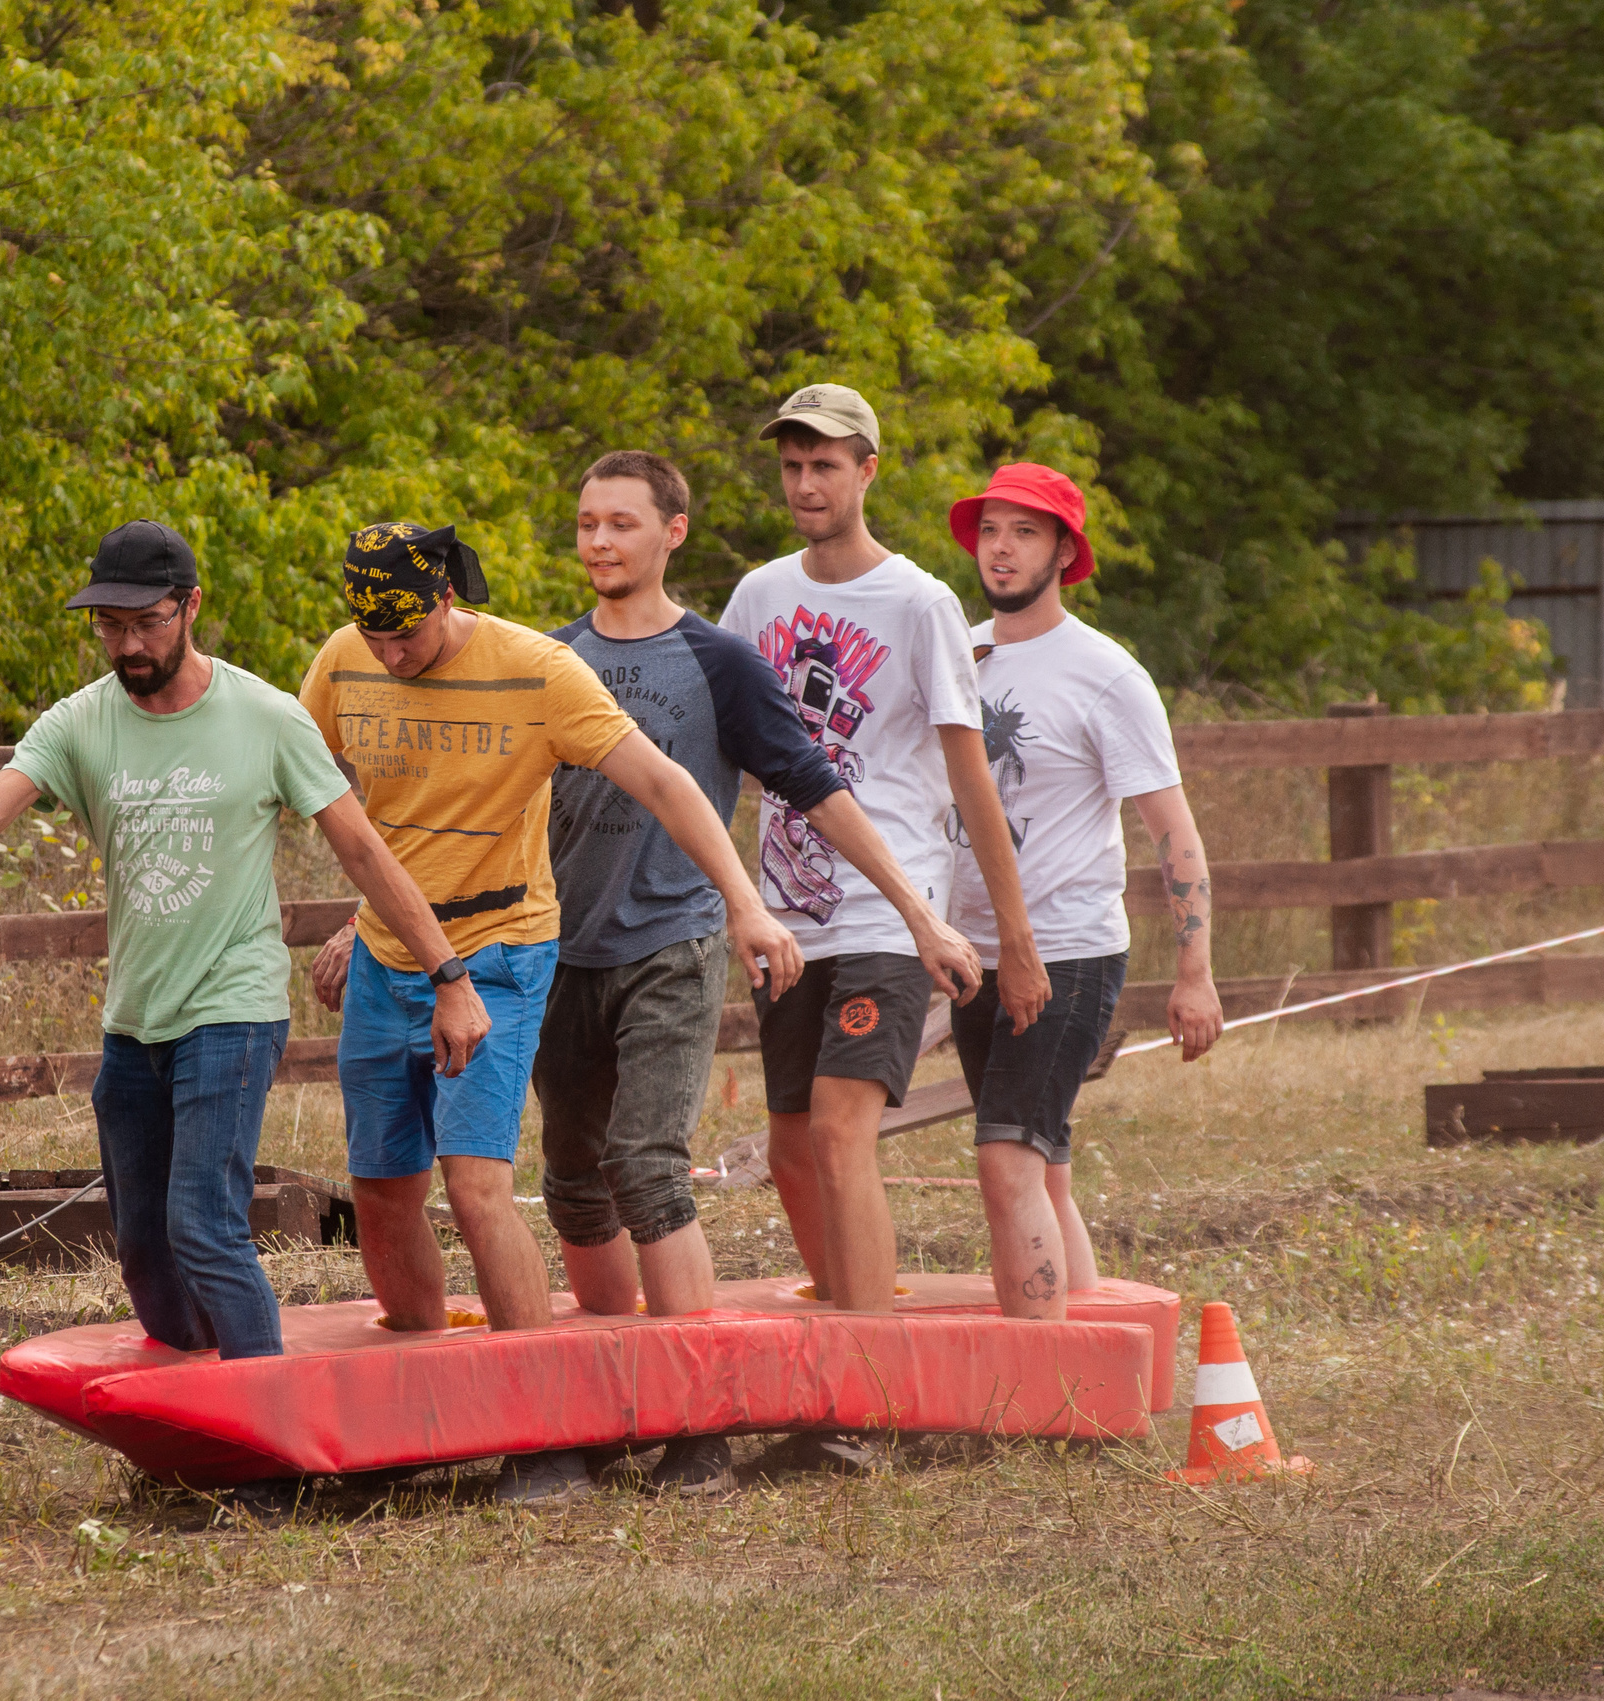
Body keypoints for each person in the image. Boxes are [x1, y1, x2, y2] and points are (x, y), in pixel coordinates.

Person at [0, 518, 489, 1394]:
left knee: (205, 1224)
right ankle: (199, 1407)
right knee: (145, 1248)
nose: (128, 643)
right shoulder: (82, 721)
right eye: (109, 626)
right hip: (135, 1024)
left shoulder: (265, 716)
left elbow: (365, 853)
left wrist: (449, 975)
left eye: (147, 621)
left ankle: (269, 1427)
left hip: (234, 1009)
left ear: (191, 606)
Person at [298, 518, 803, 1505]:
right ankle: (419, 1418)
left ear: (445, 597)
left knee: (477, 1182)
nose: (390, 652)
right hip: (388, 953)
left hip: (498, 952)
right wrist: (352, 927)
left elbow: (664, 781)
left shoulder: (537, 671)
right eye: (374, 632)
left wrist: (745, 903)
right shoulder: (343, 661)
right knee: (384, 1187)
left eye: (406, 631)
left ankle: (547, 1437)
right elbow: (324, 801)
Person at [541, 451, 985, 1496]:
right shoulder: (546, 658)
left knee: (646, 1162)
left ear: (672, 534)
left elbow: (814, 786)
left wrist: (922, 914)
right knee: (571, 1179)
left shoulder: (719, 661)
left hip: (678, 941)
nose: (601, 542)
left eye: (622, 524)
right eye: (586, 524)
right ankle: (608, 1414)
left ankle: (700, 1428)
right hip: (559, 953)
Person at [716, 385, 1049, 1331]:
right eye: (791, 465)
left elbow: (972, 775)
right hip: (787, 911)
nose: (806, 482)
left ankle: (864, 1375)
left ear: (867, 471)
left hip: (890, 911)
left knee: (839, 1127)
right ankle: (846, 1321)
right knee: (788, 1146)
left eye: (825, 464)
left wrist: (1009, 939)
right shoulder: (759, 594)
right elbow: (718, 743)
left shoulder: (919, 600)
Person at [943, 464, 1224, 1318]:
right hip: (970, 953)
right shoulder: (961, 653)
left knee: (1007, 1161)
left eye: (1024, 532)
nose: (1001, 548)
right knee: (1045, 1164)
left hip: (1067, 952)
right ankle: (1089, 1365)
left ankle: (1034, 1382)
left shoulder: (1107, 673)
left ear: (1065, 550)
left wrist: (1195, 971)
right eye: (990, 529)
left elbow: (1173, 831)